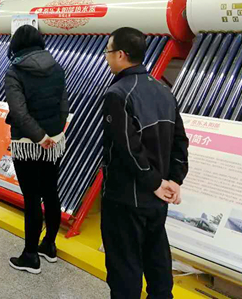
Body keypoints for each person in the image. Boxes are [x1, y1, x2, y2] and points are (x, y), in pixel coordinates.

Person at [101, 27, 189, 299]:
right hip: (157, 200)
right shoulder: (164, 91)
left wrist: (154, 183)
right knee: (157, 257)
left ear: (121, 55)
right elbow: (180, 141)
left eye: (108, 51)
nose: (106, 57)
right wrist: (173, 180)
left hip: (125, 199)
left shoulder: (117, 94)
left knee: (124, 266)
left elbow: (127, 149)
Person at [4, 25, 69, 274]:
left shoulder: (15, 71)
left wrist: (39, 136)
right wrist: (53, 132)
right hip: (54, 140)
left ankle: (30, 256)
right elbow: (64, 104)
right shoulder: (56, 66)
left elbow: (19, 111)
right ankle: (49, 245)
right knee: (51, 192)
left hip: (27, 143)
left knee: (31, 198)